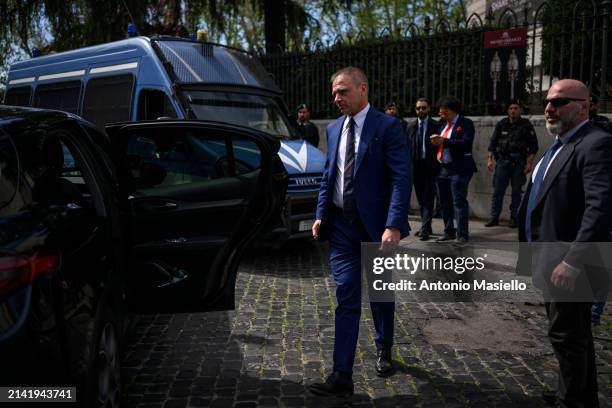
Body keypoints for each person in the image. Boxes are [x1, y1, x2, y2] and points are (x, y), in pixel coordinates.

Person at [309, 67, 411, 397]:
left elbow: (400, 177)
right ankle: (342, 374)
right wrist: (320, 214)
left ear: (362, 89)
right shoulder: (334, 128)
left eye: (343, 92)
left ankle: (384, 348)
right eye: (334, 92)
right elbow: (329, 175)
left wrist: (393, 224)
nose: (336, 98)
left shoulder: (388, 126)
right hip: (341, 227)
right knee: (346, 295)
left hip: (377, 229)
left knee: (381, 293)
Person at [517, 79, 612, 408]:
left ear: (583, 106)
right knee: (574, 334)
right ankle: (577, 395)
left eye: (558, 102)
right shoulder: (558, 144)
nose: (548, 108)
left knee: (566, 336)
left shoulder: (595, 143)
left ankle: (572, 400)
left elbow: (599, 208)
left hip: (570, 262)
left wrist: (573, 260)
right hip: (547, 256)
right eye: (547, 102)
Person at [430, 96, 477, 243]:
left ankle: (462, 234)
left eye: (444, 113)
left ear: (453, 111)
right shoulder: (442, 125)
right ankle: (449, 230)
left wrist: (445, 141)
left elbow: (466, 143)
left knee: (459, 200)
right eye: (440, 113)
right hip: (443, 167)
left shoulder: (466, 123)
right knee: (444, 202)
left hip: (460, 168)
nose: (441, 115)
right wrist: (436, 142)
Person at [486, 100, 538, 228]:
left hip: (519, 163)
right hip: (502, 162)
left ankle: (514, 218)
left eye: (515, 108)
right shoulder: (501, 124)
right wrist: (489, 159)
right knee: (498, 191)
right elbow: (492, 144)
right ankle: (494, 217)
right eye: (510, 108)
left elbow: (533, 147)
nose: (513, 110)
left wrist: (529, 164)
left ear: (520, 110)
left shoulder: (526, 125)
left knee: (516, 192)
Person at [407, 98, 439, 240]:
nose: (421, 110)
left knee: (428, 197)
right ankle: (427, 225)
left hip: (430, 166)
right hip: (416, 166)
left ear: (428, 109)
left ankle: (425, 229)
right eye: (418, 108)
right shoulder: (411, 126)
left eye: (423, 108)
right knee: (421, 199)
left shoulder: (435, 125)